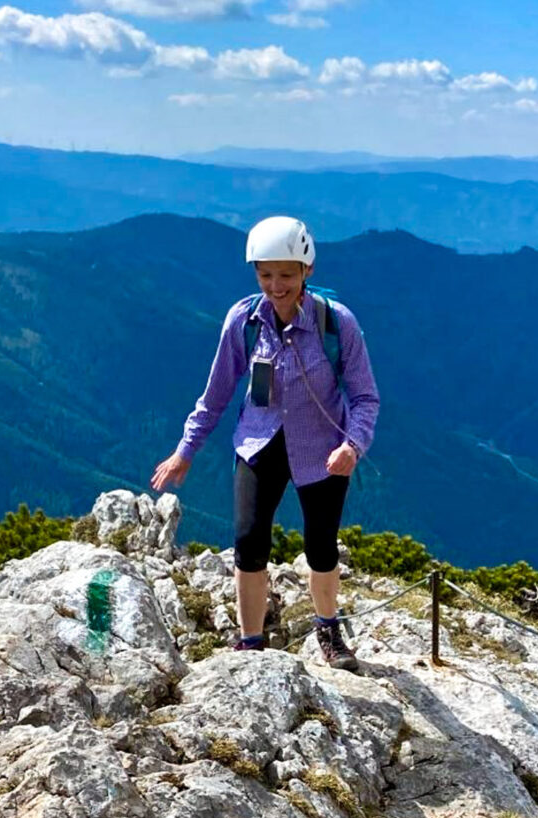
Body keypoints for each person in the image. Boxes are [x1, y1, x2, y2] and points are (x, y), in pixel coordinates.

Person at [150, 216, 379, 670]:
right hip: (258, 443)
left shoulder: (337, 324)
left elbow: (365, 395)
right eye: (265, 274)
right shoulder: (243, 322)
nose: (276, 286)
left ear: (307, 271)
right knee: (249, 542)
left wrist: (353, 445)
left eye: (286, 275)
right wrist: (185, 450)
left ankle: (329, 633)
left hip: (324, 450)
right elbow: (216, 393)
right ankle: (250, 642)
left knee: (322, 545)